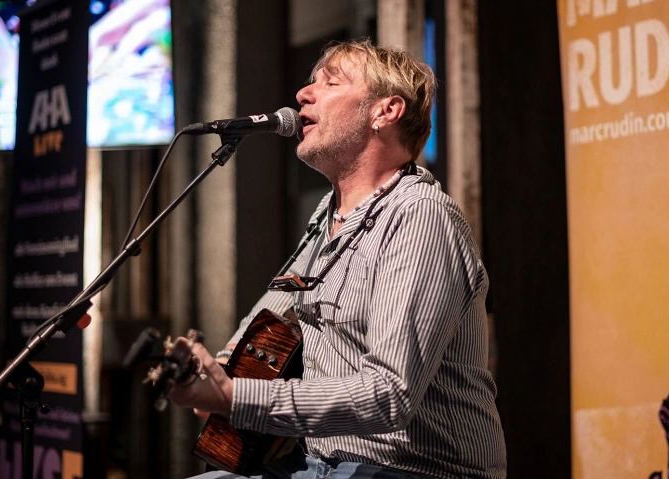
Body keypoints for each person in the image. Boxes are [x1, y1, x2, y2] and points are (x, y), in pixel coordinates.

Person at [168, 39, 507, 479]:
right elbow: (268, 317)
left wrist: (234, 397)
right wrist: (213, 369)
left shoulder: (419, 216)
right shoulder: (327, 218)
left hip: (415, 469)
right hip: (320, 463)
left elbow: (389, 394)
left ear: (386, 111)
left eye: (330, 83)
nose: (303, 94)